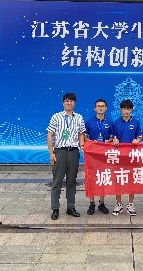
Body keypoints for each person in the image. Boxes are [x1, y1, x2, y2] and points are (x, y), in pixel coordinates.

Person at [47, 92, 86, 221]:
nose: (69, 103)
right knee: (57, 181)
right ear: (63, 103)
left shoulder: (79, 117)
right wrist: (51, 153)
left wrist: (82, 145)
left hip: (73, 152)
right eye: (67, 101)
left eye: (71, 101)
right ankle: (55, 208)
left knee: (71, 181)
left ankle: (71, 207)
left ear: (75, 103)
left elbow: (81, 133)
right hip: (60, 152)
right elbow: (50, 135)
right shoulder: (56, 117)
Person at [111, 99, 142, 216]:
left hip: (132, 155)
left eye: (128, 109)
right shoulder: (116, 122)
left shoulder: (136, 122)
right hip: (119, 156)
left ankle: (130, 204)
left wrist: (137, 140)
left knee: (131, 180)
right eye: (124, 109)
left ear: (131, 110)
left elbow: (139, 136)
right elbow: (114, 137)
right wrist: (115, 140)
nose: (126, 111)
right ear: (121, 110)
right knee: (118, 179)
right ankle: (118, 204)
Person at [84, 98, 113, 215]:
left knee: (103, 177)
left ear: (106, 108)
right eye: (98, 106)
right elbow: (85, 137)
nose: (100, 108)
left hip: (104, 154)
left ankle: (102, 203)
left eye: (102, 106)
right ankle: (91, 203)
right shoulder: (89, 122)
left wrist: (108, 141)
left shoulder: (110, 122)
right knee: (91, 177)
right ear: (95, 108)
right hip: (92, 154)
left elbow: (112, 137)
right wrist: (92, 143)